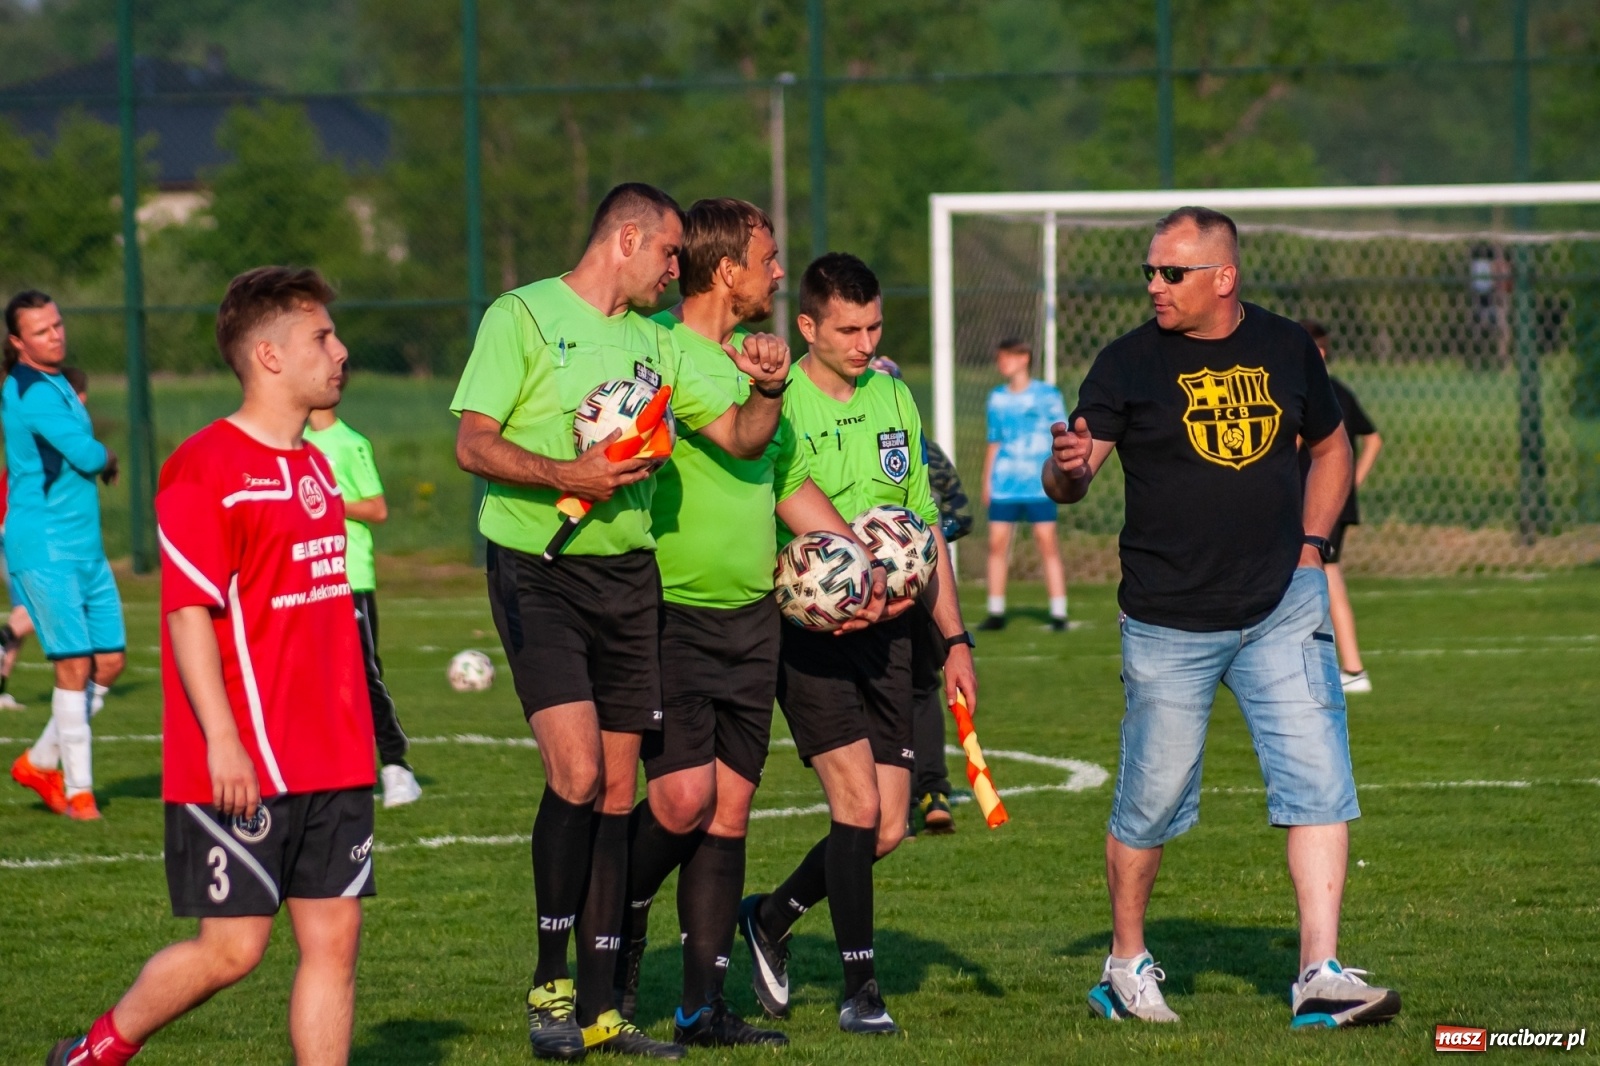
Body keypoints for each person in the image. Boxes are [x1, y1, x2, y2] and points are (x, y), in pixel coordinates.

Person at [452, 182, 791, 1061]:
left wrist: (769, 387)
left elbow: (743, 438)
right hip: (540, 570)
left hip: (629, 578)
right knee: (572, 774)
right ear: (628, 239)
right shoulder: (522, 318)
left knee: (614, 790)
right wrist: (568, 469)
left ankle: (603, 1009)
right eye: (670, 253)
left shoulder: (657, 345)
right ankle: (549, 987)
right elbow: (474, 444)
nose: (677, 269)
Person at [1044, 206, 1399, 1030]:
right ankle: (1125, 966)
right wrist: (1064, 469)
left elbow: (1333, 446)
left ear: (1223, 278)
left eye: (1172, 272)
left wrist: (1312, 546)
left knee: (1318, 783)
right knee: (1153, 799)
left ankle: (1320, 973)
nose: (1154, 286)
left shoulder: (1283, 348)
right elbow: (1075, 479)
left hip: (1282, 605)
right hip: (1168, 618)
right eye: (1149, 272)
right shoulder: (1127, 362)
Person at [47, 266, 377, 1066]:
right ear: (268, 356)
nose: (339, 351)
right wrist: (223, 739)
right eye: (321, 337)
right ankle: (95, 1052)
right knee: (233, 951)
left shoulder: (315, 465)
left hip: (332, 755)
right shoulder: (206, 467)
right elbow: (188, 613)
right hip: (242, 761)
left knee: (334, 945)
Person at [617, 197, 888, 1047]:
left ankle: (702, 1008)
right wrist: (763, 385)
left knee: (728, 815)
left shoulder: (749, 359)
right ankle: (612, 932)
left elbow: (785, 479)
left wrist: (859, 565)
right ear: (727, 269)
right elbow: (739, 439)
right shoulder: (665, 351)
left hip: (751, 615)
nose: (779, 272)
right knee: (681, 801)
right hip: (674, 612)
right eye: (769, 260)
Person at [737, 253, 978, 1035]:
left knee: (888, 827)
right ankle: (860, 993)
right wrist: (851, 569)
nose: (865, 342)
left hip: (897, 633)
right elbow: (778, 494)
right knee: (857, 804)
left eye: (874, 325)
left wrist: (956, 638)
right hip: (814, 633)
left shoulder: (893, 394)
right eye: (848, 329)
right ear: (807, 326)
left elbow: (925, 524)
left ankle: (770, 918)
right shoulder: (783, 402)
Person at [4, 291, 124, 820]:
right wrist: (108, 453)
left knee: (110, 662)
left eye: (57, 325)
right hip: (46, 547)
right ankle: (80, 793)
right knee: (74, 664)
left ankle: (39, 760)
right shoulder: (29, 391)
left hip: (85, 548)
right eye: (41, 330)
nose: (56, 335)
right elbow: (83, 453)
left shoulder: (55, 382)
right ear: (17, 342)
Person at [864, 354, 973, 836]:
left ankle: (930, 791)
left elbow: (959, 515)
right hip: (868, 590)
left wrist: (919, 548)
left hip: (922, 588)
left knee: (922, 687)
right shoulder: (851, 450)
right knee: (894, 691)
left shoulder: (921, 450)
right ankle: (901, 800)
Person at [305, 370, 423, 805]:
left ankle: (397, 767)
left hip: (350, 575)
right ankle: (328, 770)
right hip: (307, 579)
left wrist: (331, 504)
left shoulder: (351, 444)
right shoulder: (293, 444)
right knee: (312, 680)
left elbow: (377, 508)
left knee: (361, 674)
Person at [1297, 319, 1382, 694]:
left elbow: (1293, 446)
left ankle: (1347, 668)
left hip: (1315, 500)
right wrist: (1351, 482)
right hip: (1335, 499)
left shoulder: (1308, 394)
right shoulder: (1340, 392)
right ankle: (1349, 668)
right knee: (1324, 575)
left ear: (1317, 352)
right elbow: (1373, 439)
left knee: (1318, 576)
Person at [980, 337, 1069, 632]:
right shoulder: (996, 398)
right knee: (996, 545)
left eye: (1007, 357)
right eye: (1000, 357)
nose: (1002, 363)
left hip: (1039, 484)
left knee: (1047, 543)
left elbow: (1061, 437)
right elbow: (994, 440)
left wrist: (1060, 475)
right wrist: (987, 481)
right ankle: (996, 610)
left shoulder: (1048, 395)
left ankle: (1058, 611)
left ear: (1024, 358)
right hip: (1005, 483)